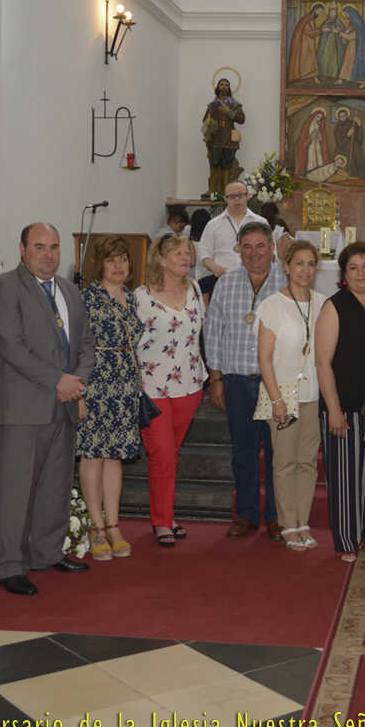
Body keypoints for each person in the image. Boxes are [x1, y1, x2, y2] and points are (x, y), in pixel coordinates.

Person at [0, 223, 95, 595]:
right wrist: (57, 381)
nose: (48, 254)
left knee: (55, 485)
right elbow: (12, 347)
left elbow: (86, 342)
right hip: (24, 407)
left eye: (54, 247)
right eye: (39, 247)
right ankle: (11, 567)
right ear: (22, 248)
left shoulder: (68, 289)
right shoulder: (3, 287)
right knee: (17, 490)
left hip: (64, 403)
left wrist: (77, 381)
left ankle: (46, 553)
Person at [207, 222, 285, 540]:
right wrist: (216, 378)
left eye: (260, 246)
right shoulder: (225, 284)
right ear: (239, 250)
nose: (254, 253)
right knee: (243, 451)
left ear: (272, 247)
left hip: (277, 385)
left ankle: (278, 517)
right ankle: (247, 514)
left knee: (279, 452)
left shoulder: (287, 281)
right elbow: (213, 331)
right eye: (247, 246)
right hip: (237, 380)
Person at [316, 242, 365, 562]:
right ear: (344, 273)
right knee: (343, 474)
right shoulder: (335, 305)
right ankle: (346, 540)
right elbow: (322, 362)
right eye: (353, 267)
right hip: (341, 402)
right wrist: (333, 409)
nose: (360, 273)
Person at [136, 233, 207, 547]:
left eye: (186, 253)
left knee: (171, 455)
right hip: (153, 388)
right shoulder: (140, 296)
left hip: (190, 385)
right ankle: (161, 522)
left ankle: (166, 514)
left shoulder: (194, 289)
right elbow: (129, 340)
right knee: (161, 453)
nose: (184, 258)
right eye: (177, 253)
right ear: (160, 259)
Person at [77, 237, 144, 560]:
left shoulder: (131, 297)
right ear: (99, 264)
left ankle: (113, 524)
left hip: (125, 387)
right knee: (92, 456)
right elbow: (74, 347)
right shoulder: (86, 298)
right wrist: (78, 390)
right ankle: (95, 527)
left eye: (123, 260)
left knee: (115, 456)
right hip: (95, 385)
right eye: (111, 260)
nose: (118, 266)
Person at [257, 240, 326, 551]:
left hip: (312, 394)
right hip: (283, 393)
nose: (305, 270)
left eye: (311, 264)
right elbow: (264, 358)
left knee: (308, 462)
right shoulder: (273, 305)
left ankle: (303, 521)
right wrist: (276, 399)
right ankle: (288, 524)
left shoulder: (324, 303)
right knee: (284, 462)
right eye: (299, 263)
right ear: (286, 267)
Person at [197, 181, 269, 295]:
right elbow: (203, 253)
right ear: (225, 199)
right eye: (232, 196)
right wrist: (214, 267)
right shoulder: (213, 224)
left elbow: (270, 252)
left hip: (255, 281)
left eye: (241, 195)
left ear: (248, 196)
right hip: (222, 281)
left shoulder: (261, 222)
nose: (237, 199)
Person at [202, 77, 245, 199]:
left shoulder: (234, 104)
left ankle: (226, 191)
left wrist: (229, 112)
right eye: (221, 84)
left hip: (228, 140)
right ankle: (212, 190)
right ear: (217, 88)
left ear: (229, 88)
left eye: (226, 84)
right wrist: (207, 134)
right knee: (214, 164)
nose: (224, 86)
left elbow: (241, 119)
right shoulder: (212, 105)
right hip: (215, 139)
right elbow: (206, 121)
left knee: (227, 166)